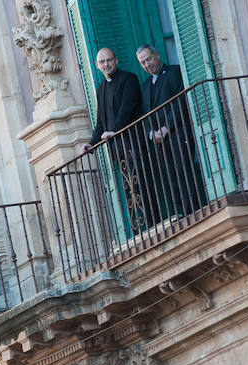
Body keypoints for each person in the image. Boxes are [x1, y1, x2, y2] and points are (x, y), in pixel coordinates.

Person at [80, 48, 152, 232]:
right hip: (117, 149)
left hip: (134, 141)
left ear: (116, 60)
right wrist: (92, 143)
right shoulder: (101, 89)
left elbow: (127, 108)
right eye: (102, 62)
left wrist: (114, 130)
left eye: (109, 60)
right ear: (97, 66)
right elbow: (101, 122)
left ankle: (153, 223)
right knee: (130, 188)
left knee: (143, 183)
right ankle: (141, 229)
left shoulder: (129, 79)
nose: (106, 64)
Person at [136, 44, 200, 217]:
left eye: (148, 59)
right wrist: (151, 133)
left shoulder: (174, 72)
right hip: (160, 141)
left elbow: (180, 102)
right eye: (142, 62)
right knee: (172, 179)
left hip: (178, 133)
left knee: (184, 173)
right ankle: (183, 213)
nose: (147, 64)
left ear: (157, 55)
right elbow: (145, 114)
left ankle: (193, 212)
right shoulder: (145, 85)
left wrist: (166, 128)